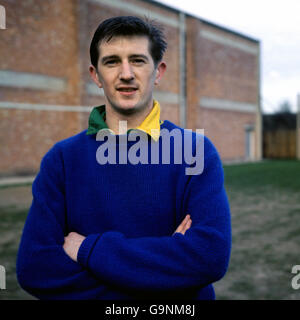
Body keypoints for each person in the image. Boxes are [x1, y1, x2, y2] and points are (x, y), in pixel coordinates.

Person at [16, 16, 231, 300]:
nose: (126, 73)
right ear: (95, 75)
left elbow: (209, 257)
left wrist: (88, 251)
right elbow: (36, 268)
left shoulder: (195, 151)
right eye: (112, 61)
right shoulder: (63, 160)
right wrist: (165, 277)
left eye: (138, 60)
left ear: (158, 72)